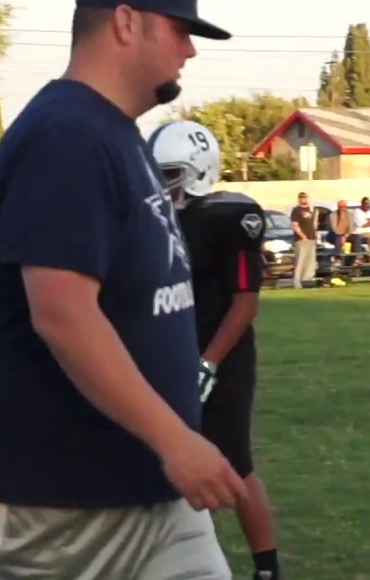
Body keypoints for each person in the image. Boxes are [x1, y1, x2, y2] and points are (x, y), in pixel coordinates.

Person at [0, 0, 246, 580]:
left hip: (149, 491)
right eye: (181, 30)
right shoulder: (66, 136)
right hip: (48, 501)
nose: (190, 50)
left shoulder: (115, 132)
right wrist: (174, 439)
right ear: (127, 23)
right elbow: (63, 313)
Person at [149, 119, 283, 580]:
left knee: (234, 462)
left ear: (197, 169)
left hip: (221, 355)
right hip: (171, 352)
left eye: (168, 174)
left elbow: (246, 303)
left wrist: (209, 362)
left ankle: (267, 568)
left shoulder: (228, 218)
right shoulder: (157, 219)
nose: (159, 185)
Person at [288, 192, 317, 288]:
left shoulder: (311, 210)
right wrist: (302, 236)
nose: (304, 199)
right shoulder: (296, 210)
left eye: (305, 197)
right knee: (300, 261)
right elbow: (295, 225)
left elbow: (314, 224)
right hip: (301, 239)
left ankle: (307, 281)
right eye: (301, 198)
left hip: (311, 238)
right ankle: (297, 282)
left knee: (310, 262)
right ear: (299, 199)